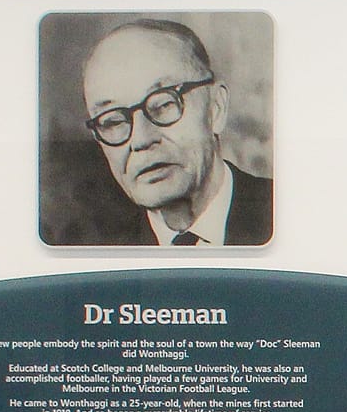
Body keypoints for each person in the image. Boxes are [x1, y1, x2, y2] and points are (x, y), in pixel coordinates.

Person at [78, 18, 273, 246]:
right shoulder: (98, 249)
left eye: (163, 105)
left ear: (215, 109)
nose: (141, 139)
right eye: (112, 121)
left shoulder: (291, 212)